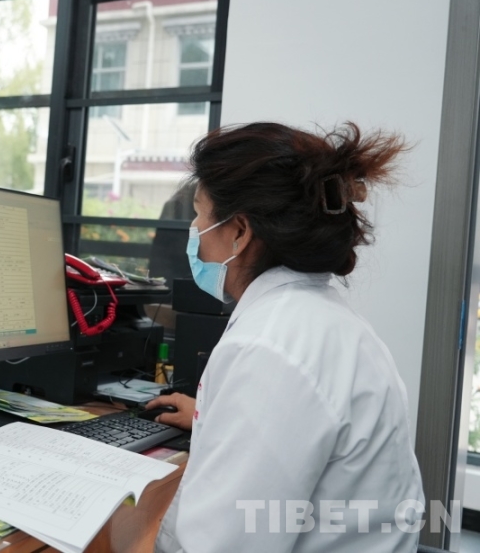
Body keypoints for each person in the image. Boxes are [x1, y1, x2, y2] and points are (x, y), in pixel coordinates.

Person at [146, 122, 424, 552]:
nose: (195, 228)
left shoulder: (269, 350)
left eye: (199, 213)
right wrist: (213, 418)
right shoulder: (321, 319)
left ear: (240, 232)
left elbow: (220, 545)